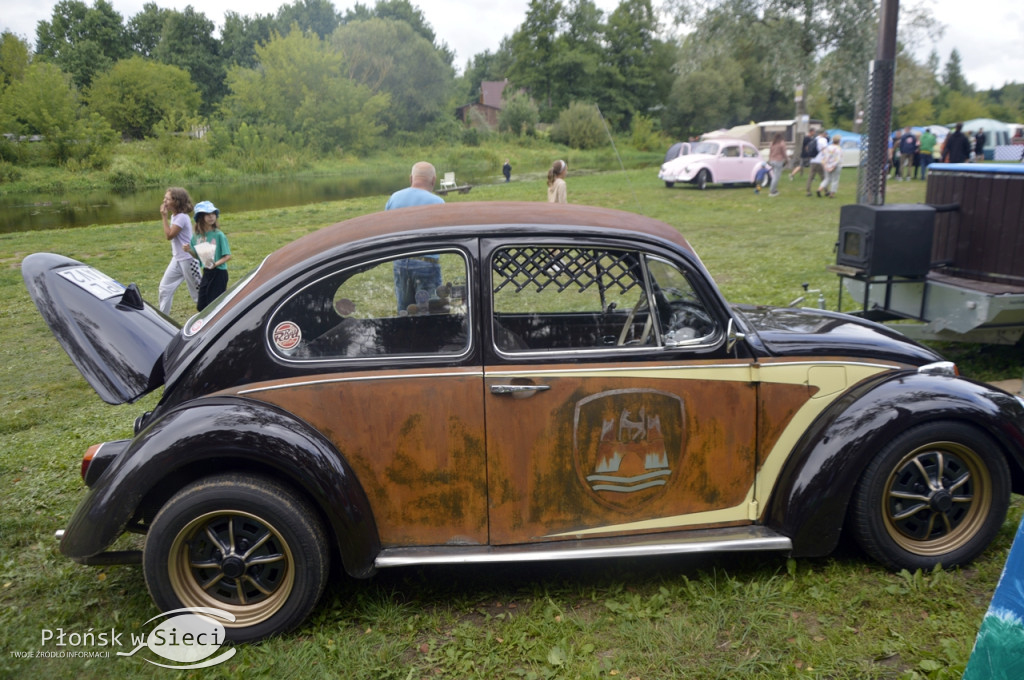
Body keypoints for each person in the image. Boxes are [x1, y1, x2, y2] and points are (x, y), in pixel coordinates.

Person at [385, 161, 445, 313]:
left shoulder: (394, 198)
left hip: (400, 262)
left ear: (411, 178)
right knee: (430, 313)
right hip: (427, 263)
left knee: (405, 311)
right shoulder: (437, 202)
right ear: (433, 180)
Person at [157, 186, 199, 315]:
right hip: (177, 259)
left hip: (188, 259)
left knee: (198, 294)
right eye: (165, 198)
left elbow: (169, 235)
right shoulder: (175, 216)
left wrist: (164, 216)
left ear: (177, 201)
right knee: (165, 288)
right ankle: (163, 319)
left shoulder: (181, 217)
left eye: (167, 199)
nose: (164, 201)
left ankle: (212, 316)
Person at [185, 200, 231, 311]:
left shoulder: (219, 235)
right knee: (202, 306)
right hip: (207, 273)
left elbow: (227, 256)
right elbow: (198, 256)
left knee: (215, 306)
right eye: (208, 214)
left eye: (213, 214)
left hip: (219, 273)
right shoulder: (196, 237)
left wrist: (215, 264)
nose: (211, 217)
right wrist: (189, 250)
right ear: (200, 217)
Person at [805, 130, 828, 197]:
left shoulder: (813, 139)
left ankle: (808, 191)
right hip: (820, 160)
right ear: (823, 134)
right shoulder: (823, 140)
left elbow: (807, 148)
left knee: (811, 176)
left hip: (813, 160)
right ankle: (826, 190)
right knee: (823, 177)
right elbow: (825, 149)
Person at [767, 133, 787, 197]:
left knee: (774, 175)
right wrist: (787, 159)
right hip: (778, 161)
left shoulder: (772, 143)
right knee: (776, 177)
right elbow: (784, 153)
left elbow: (770, 152)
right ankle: (772, 191)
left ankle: (774, 189)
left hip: (772, 161)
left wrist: (769, 160)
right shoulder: (781, 143)